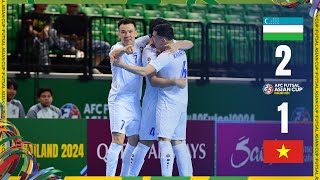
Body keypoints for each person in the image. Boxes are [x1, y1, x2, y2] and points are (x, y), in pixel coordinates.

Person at [105, 18, 184, 176]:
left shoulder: (141, 42)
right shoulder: (117, 47)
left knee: (134, 141)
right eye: (123, 32)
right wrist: (123, 50)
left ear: (136, 33)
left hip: (135, 101)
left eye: (130, 31)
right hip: (119, 101)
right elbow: (114, 54)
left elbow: (156, 37)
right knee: (118, 140)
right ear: (118, 34)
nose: (127, 35)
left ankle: (125, 176)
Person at [128, 18, 193, 176]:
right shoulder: (149, 51)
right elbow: (152, 80)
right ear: (152, 35)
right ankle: (130, 176)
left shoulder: (171, 45)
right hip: (154, 100)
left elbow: (189, 43)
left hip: (169, 100)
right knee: (146, 141)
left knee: (175, 141)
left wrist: (175, 46)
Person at [54, 4, 111, 74]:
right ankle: (76, 51)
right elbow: (58, 34)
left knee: (105, 45)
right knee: (60, 41)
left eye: (76, 5)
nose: (75, 7)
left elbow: (88, 32)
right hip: (68, 43)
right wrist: (69, 37)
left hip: (83, 42)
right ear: (67, 6)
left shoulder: (83, 17)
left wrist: (83, 41)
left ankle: (92, 67)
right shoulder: (60, 18)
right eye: (73, 5)